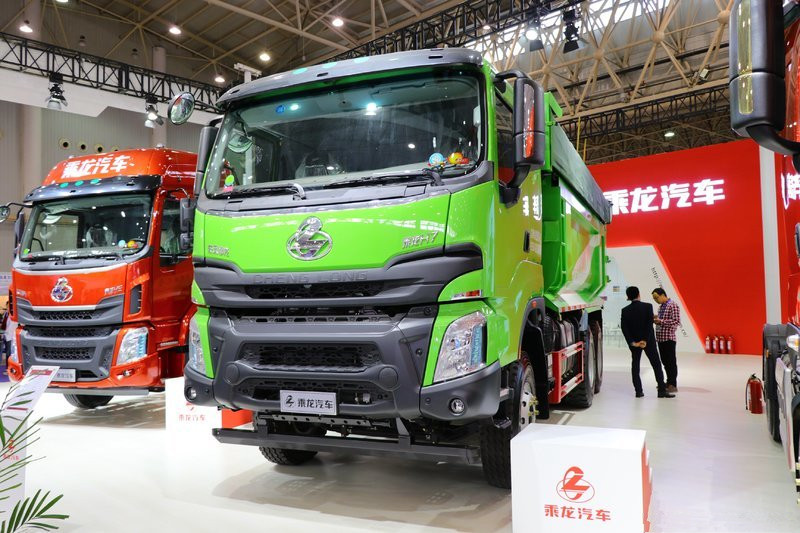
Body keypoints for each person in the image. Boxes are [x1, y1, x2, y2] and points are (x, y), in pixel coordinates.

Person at [620, 286, 674, 398]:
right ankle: (661, 391)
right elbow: (649, 325)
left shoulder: (625, 310)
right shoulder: (648, 306)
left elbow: (624, 329)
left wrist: (632, 342)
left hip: (635, 343)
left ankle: (638, 392)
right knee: (656, 365)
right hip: (648, 341)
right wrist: (644, 340)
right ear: (639, 294)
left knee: (635, 366)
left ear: (628, 297)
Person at [653, 287, 680, 393]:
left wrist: (661, 321)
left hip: (669, 339)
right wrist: (656, 319)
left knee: (671, 362)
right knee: (665, 362)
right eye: (654, 298)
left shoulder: (672, 305)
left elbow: (676, 322)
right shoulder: (661, 307)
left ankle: (673, 384)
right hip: (660, 339)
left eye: (656, 297)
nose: (655, 300)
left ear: (663, 295)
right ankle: (668, 382)